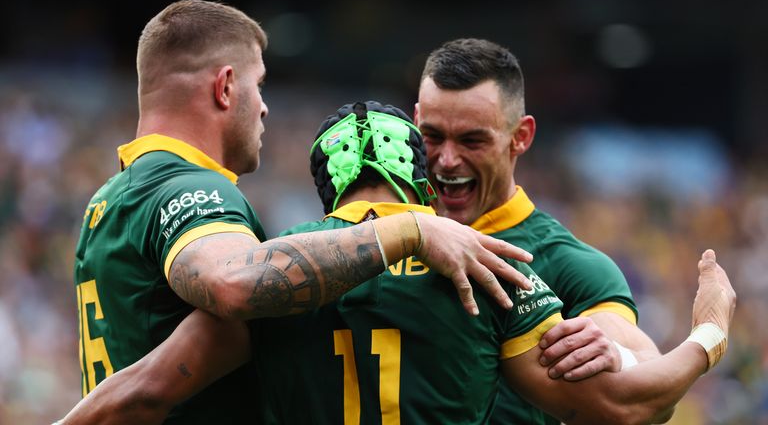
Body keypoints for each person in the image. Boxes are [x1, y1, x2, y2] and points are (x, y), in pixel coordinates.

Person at [60, 101, 736, 425]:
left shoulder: (275, 269)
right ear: (424, 183)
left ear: (327, 189)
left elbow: (143, 390)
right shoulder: (488, 265)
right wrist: (711, 330)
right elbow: (629, 406)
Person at [70, 3, 537, 424]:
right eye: (260, 85)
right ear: (226, 86)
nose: (265, 107)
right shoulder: (194, 188)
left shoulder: (110, 200)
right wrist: (411, 228)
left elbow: (146, 382)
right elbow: (233, 284)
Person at [413, 37, 665, 423]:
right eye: (432, 136)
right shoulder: (381, 237)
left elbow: (649, 390)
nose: (447, 160)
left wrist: (623, 357)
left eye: (472, 139)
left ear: (521, 136)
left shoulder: (568, 265)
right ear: (414, 121)